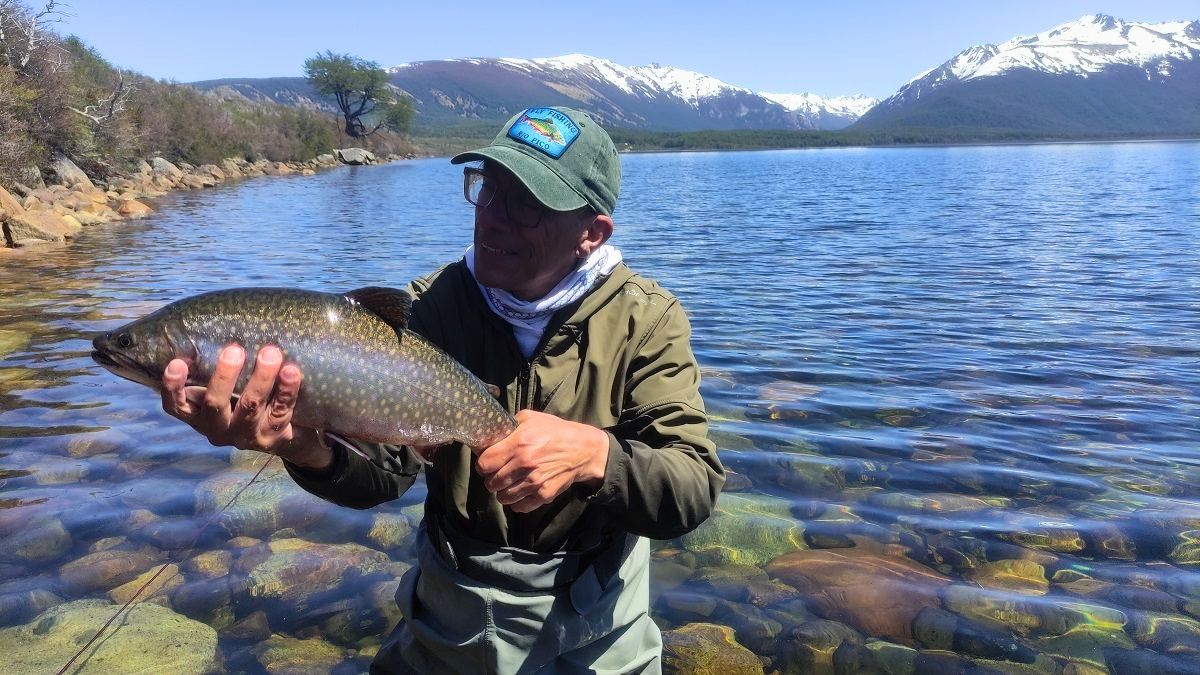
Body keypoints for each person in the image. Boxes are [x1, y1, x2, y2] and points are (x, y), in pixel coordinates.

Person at [159, 106, 725, 674]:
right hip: (451, 618)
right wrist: (301, 448)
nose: (493, 219)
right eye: (488, 189)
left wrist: (596, 457)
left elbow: (692, 489)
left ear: (591, 233)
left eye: (526, 205)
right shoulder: (425, 310)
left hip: (599, 627)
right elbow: (384, 475)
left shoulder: (646, 321)